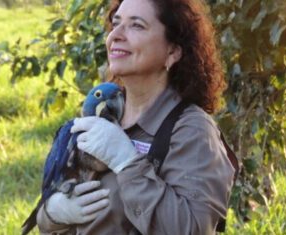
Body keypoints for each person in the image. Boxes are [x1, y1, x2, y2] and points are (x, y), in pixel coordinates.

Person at [36, 0, 236, 234]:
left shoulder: (192, 129)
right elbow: (46, 217)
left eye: (136, 26)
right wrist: (52, 214)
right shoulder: (104, 116)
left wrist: (128, 164)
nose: (116, 35)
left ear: (172, 51)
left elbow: (191, 229)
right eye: (116, 23)